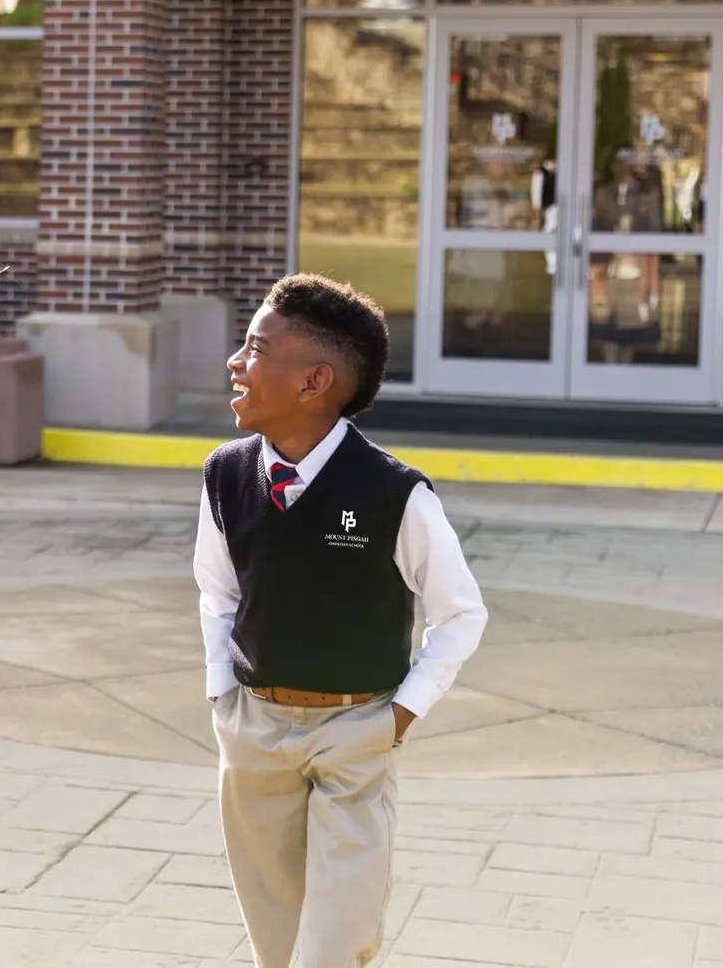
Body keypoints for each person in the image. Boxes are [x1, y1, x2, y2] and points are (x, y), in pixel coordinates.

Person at [194, 274, 488, 968]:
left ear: (313, 382)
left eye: (255, 348)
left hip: (355, 735)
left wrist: (396, 719)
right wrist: (220, 694)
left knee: (333, 945)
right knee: (276, 943)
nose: (235, 363)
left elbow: (459, 614)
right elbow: (217, 591)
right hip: (252, 731)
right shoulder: (224, 473)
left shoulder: (393, 493)